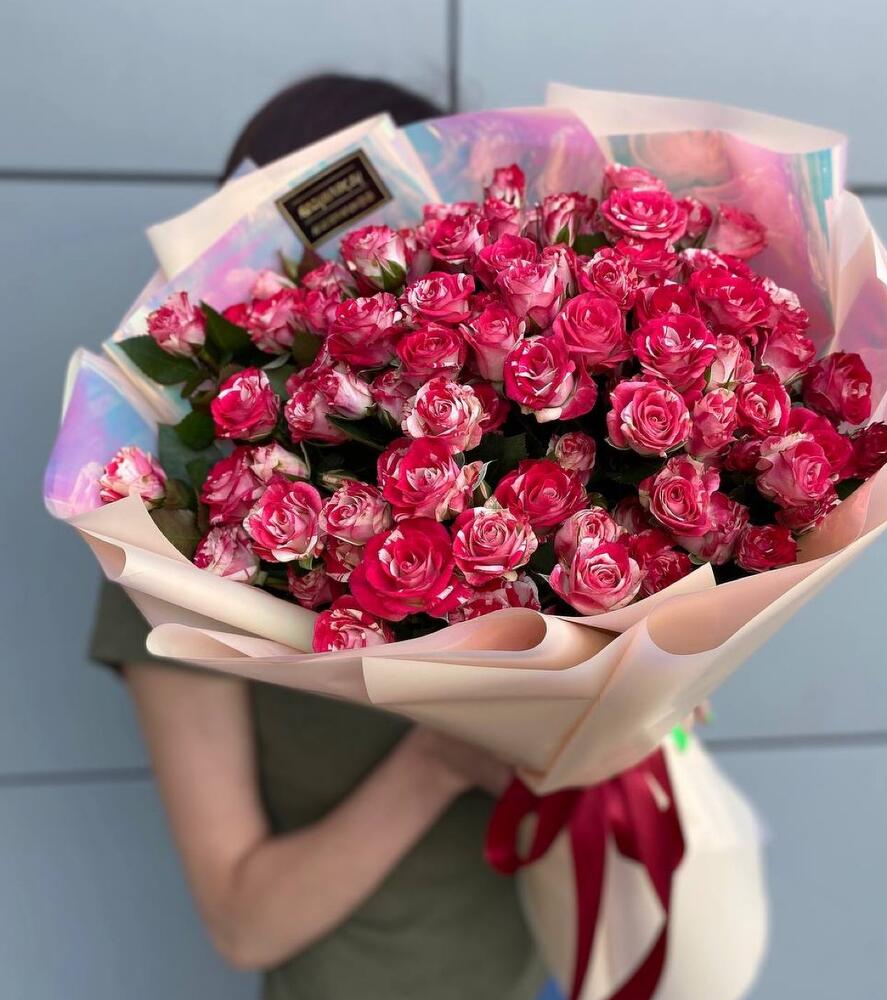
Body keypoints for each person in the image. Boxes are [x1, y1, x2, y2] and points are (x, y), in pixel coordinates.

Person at [90, 74, 553, 1000]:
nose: (372, 305)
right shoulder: (167, 547)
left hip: (561, 967)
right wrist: (441, 760)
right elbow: (242, 918)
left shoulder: (523, 466)